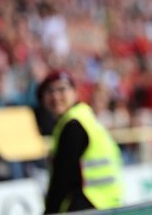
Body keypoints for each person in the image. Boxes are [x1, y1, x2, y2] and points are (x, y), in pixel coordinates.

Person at [39, 70, 123, 214]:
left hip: (87, 204)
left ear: (75, 92)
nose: (55, 96)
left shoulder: (73, 124)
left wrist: (50, 212)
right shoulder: (86, 117)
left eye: (61, 89)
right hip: (107, 204)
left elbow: (62, 178)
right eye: (49, 91)